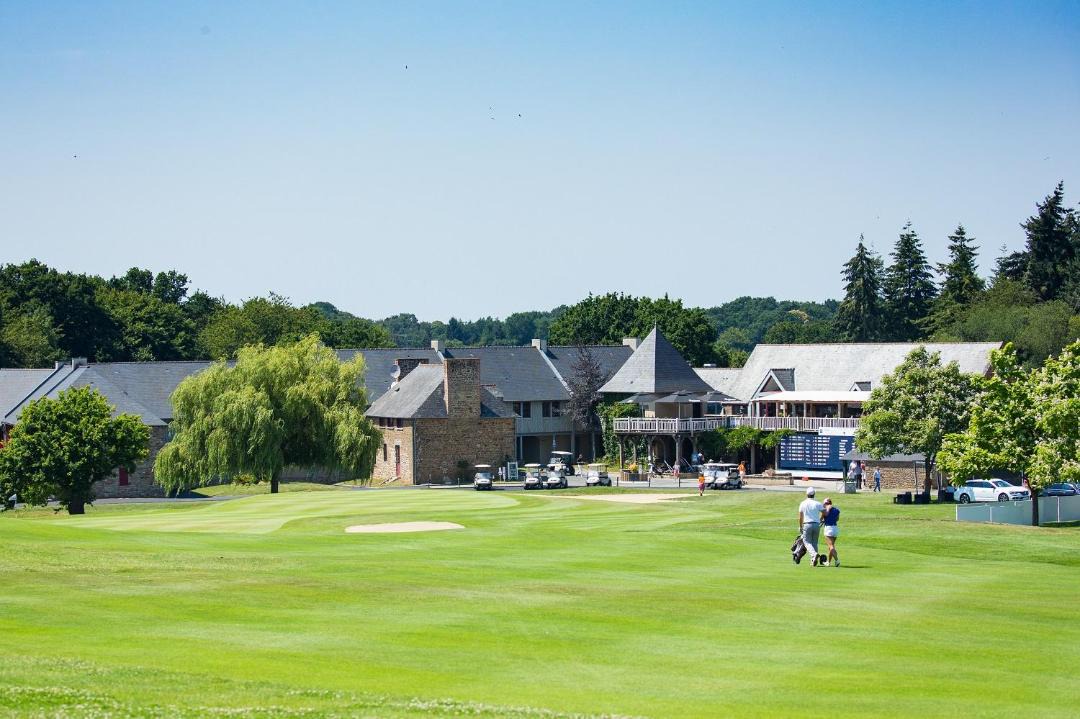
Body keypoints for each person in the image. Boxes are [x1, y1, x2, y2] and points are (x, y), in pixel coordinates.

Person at [797, 487, 825, 566]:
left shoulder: (803, 503)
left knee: (807, 542)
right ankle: (813, 560)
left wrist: (800, 527)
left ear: (806, 494)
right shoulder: (818, 503)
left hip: (807, 524)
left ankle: (814, 555)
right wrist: (820, 519)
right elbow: (824, 512)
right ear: (814, 494)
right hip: (816, 525)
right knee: (814, 542)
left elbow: (800, 517)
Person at [821, 498, 840, 567]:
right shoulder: (836, 510)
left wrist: (823, 520)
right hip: (835, 528)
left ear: (825, 503)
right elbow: (837, 519)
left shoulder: (824, 510)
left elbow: (821, 519)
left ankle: (837, 560)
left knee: (831, 546)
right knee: (831, 547)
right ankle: (828, 562)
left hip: (828, 528)